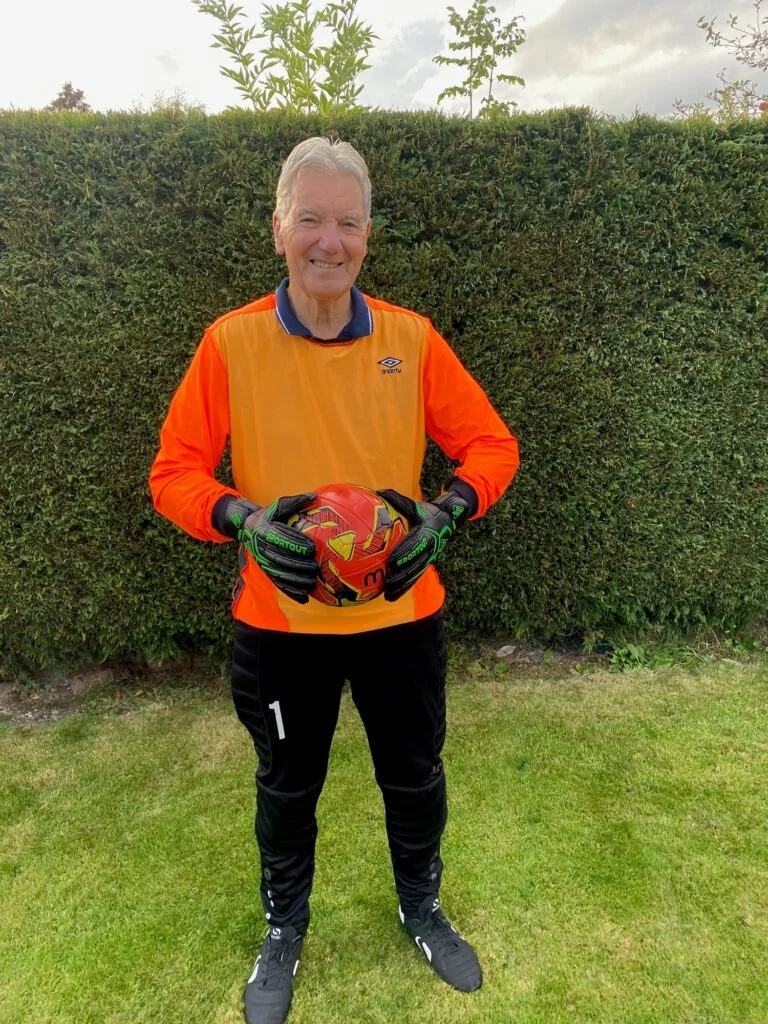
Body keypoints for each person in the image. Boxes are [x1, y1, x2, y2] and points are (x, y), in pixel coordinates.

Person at [149, 136, 519, 1024]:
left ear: (367, 236)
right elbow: (175, 472)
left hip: (400, 616)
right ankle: (283, 928)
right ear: (278, 228)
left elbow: (492, 446)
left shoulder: (410, 339)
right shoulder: (230, 343)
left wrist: (445, 512)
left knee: (415, 774)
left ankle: (422, 907)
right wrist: (240, 517)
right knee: (286, 786)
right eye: (309, 218)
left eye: (346, 222)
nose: (329, 240)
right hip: (280, 625)